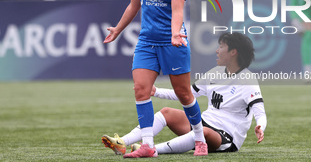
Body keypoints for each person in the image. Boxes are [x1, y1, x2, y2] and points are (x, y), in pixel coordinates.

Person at [102, 0, 207, 158]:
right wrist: (118, 29)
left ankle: (200, 139)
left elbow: (178, 10)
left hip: (174, 42)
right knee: (141, 89)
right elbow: (133, 6)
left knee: (184, 95)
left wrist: (175, 34)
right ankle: (148, 146)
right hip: (147, 42)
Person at [102, 32, 267, 155]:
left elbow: (260, 111)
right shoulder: (216, 73)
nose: (217, 50)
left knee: (204, 132)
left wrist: (261, 126)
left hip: (226, 138)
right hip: (205, 123)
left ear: (233, 52)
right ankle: (123, 142)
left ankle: (153, 150)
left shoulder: (247, 80)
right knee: (167, 112)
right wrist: (156, 91)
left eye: (221, 46)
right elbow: (185, 94)